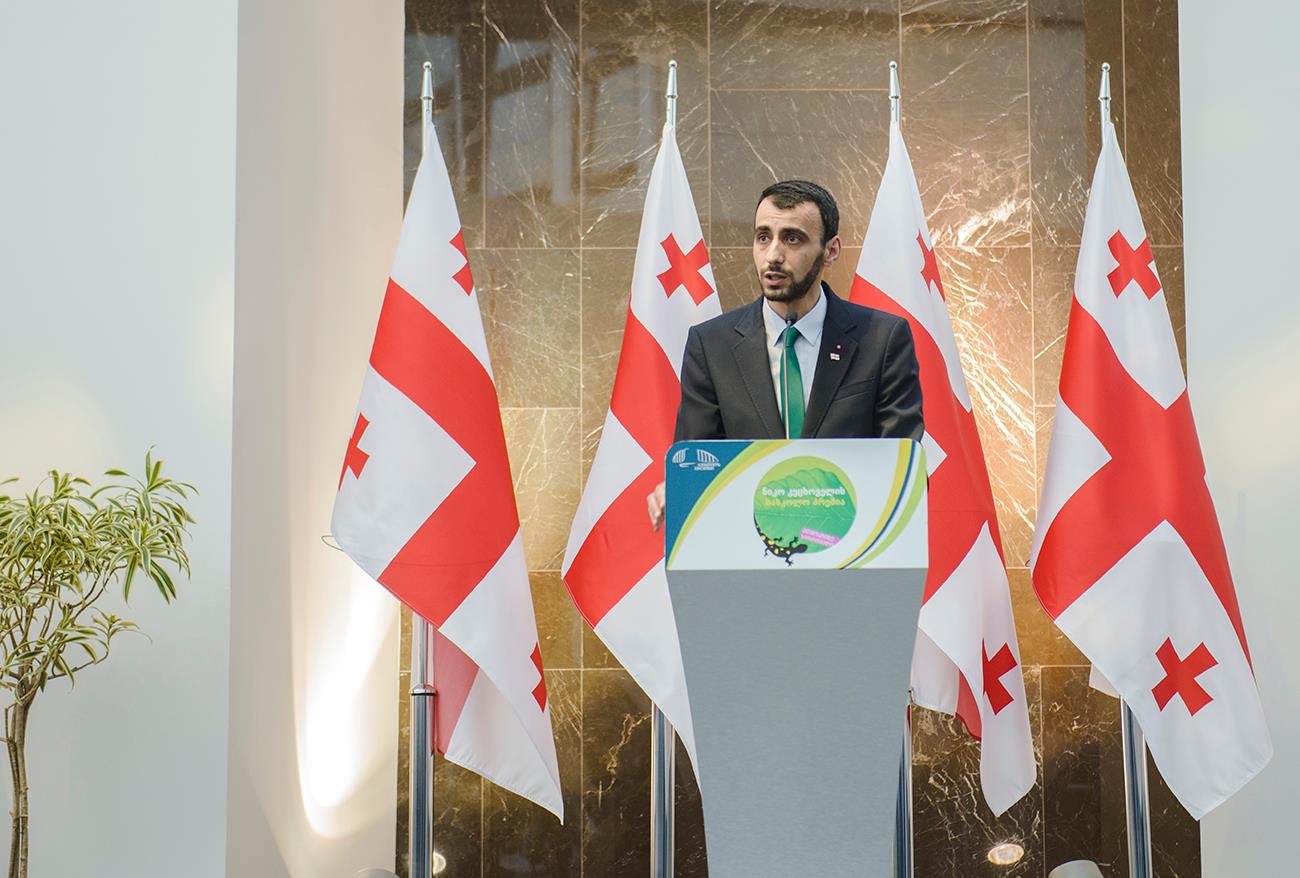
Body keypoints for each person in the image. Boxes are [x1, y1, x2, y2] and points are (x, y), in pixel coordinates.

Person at [647, 179, 924, 528]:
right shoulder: (711, 345)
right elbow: (699, 463)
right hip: (748, 544)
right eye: (763, 237)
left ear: (831, 250)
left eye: (792, 239)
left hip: (855, 544)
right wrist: (680, 488)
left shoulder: (882, 339)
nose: (773, 256)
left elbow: (902, 470)